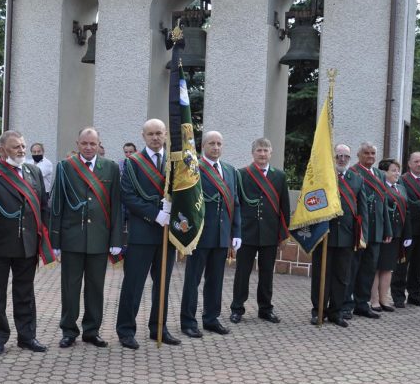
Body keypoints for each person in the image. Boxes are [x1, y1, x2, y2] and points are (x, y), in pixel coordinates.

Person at [0, 130, 52, 354]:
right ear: (2, 150)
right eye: (16, 146)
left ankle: (27, 336)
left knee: (25, 293)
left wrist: (42, 237)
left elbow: (43, 206)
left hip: (27, 242)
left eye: (23, 146)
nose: (22, 150)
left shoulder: (33, 172)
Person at [50, 128, 123, 349]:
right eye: (84, 144)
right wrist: (55, 242)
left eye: (93, 144)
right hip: (71, 239)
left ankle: (92, 331)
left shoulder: (110, 167)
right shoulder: (65, 167)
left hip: (100, 239)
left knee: (95, 288)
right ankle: (68, 331)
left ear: (99, 144)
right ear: (77, 143)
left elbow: (116, 206)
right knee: (70, 288)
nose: (89, 148)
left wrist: (116, 240)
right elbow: (57, 205)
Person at [115, 119, 181, 349]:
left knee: (162, 284)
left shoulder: (175, 162)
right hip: (142, 233)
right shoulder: (132, 163)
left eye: (159, 133)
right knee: (134, 284)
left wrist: (174, 212)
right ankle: (126, 330)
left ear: (165, 135)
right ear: (143, 136)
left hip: (167, 235)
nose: (155, 138)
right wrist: (155, 214)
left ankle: (159, 328)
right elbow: (128, 196)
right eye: (151, 134)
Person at [180, 131, 241, 338]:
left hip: (222, 235)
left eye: (219, 144)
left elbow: (236, 203)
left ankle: (211, 318)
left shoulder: (231, 171)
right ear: (203, 146)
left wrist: (236, 232)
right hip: (199, 235)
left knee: (215, 280)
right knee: (192, 280)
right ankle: (188, 321)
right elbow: (186, 200)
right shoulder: (194, 168)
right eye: (211, 143)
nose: (216, 147)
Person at [230, 137, 290, 325]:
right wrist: (235, 233)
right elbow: (235, 205)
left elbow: (284, 207)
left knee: (266, 274)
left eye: (266, 150)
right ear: (253, 153)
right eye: (259, 150)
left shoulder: (279, 176)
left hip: (270, 233)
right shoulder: (241, 174)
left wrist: (282, 234)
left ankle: (265, 309)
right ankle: (237, 309)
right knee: (242, 273)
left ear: (271, 153)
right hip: (246, 233)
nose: (262, 154)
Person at [310, 144, 368, 327]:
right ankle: (318, 310)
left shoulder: (356, 179)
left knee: (342, 277)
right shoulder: (322, 177)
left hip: (347, 236)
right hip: (324, 235)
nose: (342, 159)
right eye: (338, 156)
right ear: (332, 157)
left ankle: (336, 312)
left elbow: (363, 210)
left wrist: (362, 235)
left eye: (346, 156)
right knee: (322, 276)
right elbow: (312, 204)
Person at [344, 141, 392, 319]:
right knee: (353, 268)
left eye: (373, 153)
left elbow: (384, 202)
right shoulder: (353, 172)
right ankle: (346, 305)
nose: (370, 156)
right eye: (366, 153)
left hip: (377, 229)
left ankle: (362, 304)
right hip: (360, 229)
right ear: (359, 155)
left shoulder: (380, 173)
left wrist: (387, 228)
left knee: (369, 269)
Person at [371, 159, 411, 312]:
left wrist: (407, 235)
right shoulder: (379, 187)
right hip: (381, 234)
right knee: (376, 267)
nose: (397, 173)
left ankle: (384, 299)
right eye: (393, 170)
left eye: (398, 170)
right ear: (383, 172)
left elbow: (406, 212)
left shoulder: (401, 188)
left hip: (396, 235)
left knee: (388, 268)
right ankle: (373, 300)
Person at [391, 152, 420, 307]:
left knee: (418, 265)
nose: (419, 164)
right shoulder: (402, 180)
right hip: (407, 229)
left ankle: (414, 295)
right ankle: (398, 296)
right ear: (409, 163)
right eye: (416, 161)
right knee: (402, 264)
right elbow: (406, 201)